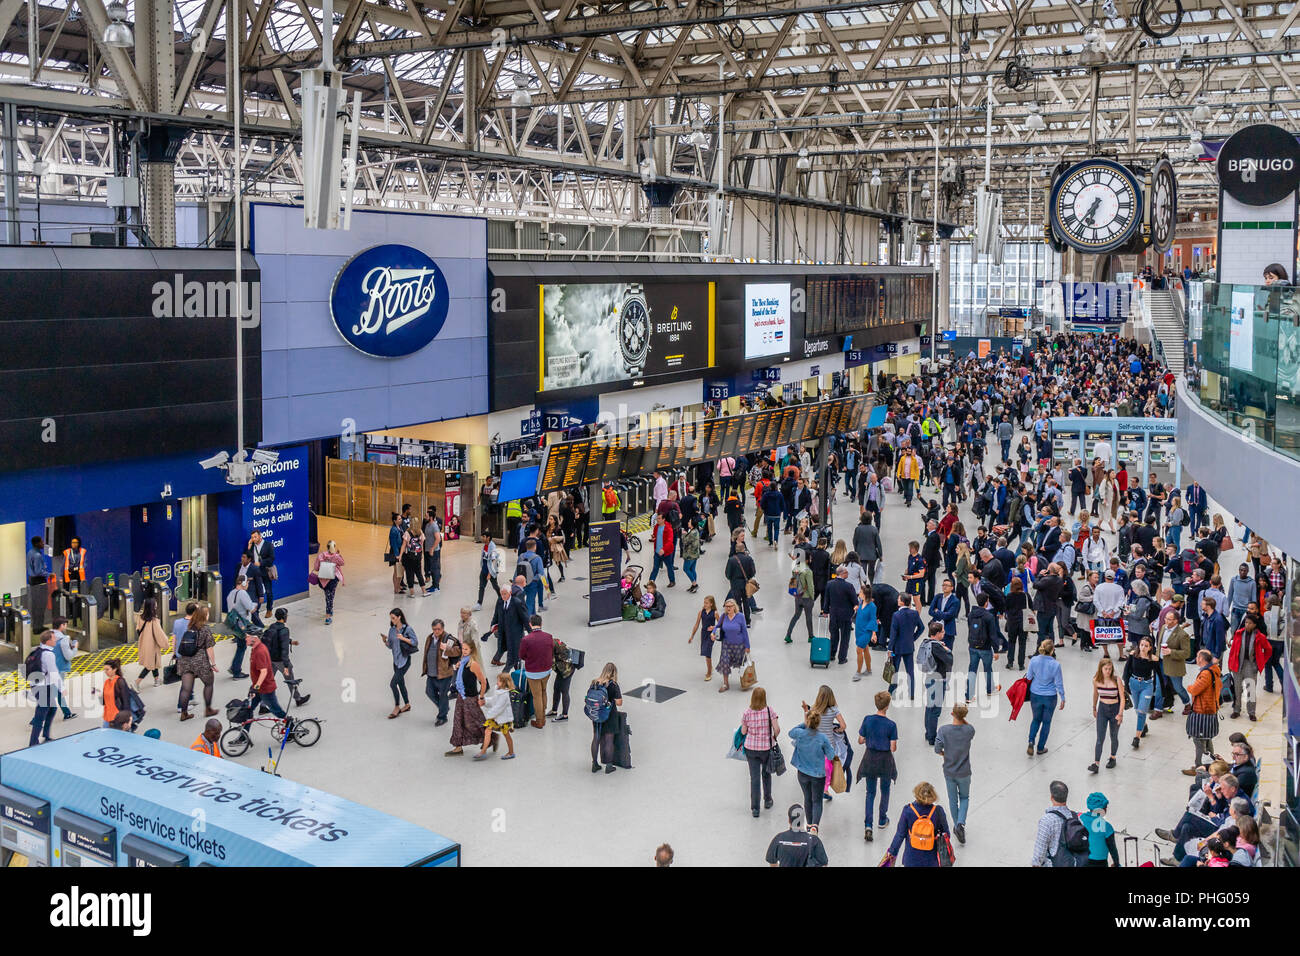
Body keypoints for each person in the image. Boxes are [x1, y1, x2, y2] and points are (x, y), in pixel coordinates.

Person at [856, 690, 899, 840]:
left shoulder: (867, 720)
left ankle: (868, 825)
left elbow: (860, 740)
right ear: (887, 706)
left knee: (870, 792)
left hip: (870, 759)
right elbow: (893, 748)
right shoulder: (891, 725)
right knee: (885, 789)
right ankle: (882, 819)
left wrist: (870, 739)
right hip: (885, 761)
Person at [883, 782, 950, 868]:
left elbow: (900, 835)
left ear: (916, 793)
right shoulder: (938, 811)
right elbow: (947, 835)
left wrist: (892, 852)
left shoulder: (908, 810)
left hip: (911, 859)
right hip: (932, 860)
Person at [934, 703, 975, 844]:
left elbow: (937, 748)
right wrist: (963, 718)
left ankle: (957, 825)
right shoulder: (969, 730)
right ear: (964, 716)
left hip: (949, 771)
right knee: (964, 797)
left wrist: (944, 754)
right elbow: (969, 727)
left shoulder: (944, 730)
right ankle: (960, 824)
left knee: (953, 800)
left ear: (952, 714)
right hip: (965, 772)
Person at [789, 710, 835, 832]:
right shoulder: (822, 738)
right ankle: (815, 826)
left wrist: (804, 724)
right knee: (817, 800)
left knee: (807, 798)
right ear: (818, 722)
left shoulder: (800, 733)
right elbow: (831, 756)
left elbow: (790, 732)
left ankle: (809, 825)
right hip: (817, 775)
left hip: (802, 773)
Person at [446, 634, 488, 757]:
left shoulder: (473, 664)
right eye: (463, 649)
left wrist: (481, 697)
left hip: (471, 698)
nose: (463, 651)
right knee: (458, 720)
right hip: (461, 695)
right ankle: (458, 747)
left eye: (466, 649)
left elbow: (483, 682)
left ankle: (490, 738)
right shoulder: (463, 662)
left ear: (471, 650)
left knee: (477, 721)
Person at [741, 687, 780, 817]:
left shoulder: (747, 713)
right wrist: (773, 737)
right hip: (766, 748)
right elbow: (777, 729)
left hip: (751, 749)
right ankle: (768, 800)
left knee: (754, 778)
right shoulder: (769, 711)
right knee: (766, 774)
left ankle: (755, 809)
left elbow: (743, 732)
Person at [1183, 649, 1223, 774]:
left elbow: (1195, 690)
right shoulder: (1214, 670)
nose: (1196, 658)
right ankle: (1212, 764)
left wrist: (1189, 687)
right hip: (1210, 709)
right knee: (1207, 738)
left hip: (1203, 711)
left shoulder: (1206, 673)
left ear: (1201, 659)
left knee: (1199, 740)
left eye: (1197, 656)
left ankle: (1199, 767)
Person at [176, 606, 218, 722]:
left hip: (185, 660)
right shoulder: (205, 629)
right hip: (199, 661)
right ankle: (208, 709)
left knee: (186, 688)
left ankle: (184, 713)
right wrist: (213, 664)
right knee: (209, 683)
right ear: (204, 616)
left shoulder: (189, 627)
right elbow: (209, 648)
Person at [1031, 780, 1087, 867]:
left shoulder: (1046, 820)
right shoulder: (1076, 817)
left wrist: (1035, 864)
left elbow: (1039, 854)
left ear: (1051, 797)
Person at [1226, 614, 1271, 721]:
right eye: (1246, 622)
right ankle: (1236, 710)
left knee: (1251, 690)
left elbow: (1268, 650)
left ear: (1255, 625)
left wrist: (1261, 662)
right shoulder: (1238, 633)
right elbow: (1233, 651)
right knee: (1237, 689)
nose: (1247, 625)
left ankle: (1251, 712)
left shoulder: (1260, 637)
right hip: (1237, 665)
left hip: (1251, 666)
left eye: (1250, 623)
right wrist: (1230, 664)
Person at [262, 608, 310, 707]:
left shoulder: (272, 626)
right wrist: (286, 665)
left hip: (270, 659)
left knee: (268, 681)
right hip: (280, 661)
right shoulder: (284, 630)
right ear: (284, 617)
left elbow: (276, 639)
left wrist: (290, 641)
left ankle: (263, 705)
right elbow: (284, 650)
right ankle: (298, 699)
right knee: (291, 680)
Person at [1025, 639, 1065, 755]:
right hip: (1050, 696)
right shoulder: (1056, 665)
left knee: (1036, 719)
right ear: (1052, 650)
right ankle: (1041, 747)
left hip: (1035, 694)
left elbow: (1028, 676)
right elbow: (1059, 683)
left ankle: (1031, 741)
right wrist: (1063, 697)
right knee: (1046, 722)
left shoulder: (1034, 660)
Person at [1088, 656, 1126, 774]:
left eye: (1110, 669)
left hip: (1114, 709)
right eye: (1106, 669)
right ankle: (1096, 763)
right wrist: (1094, 707)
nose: (1108, 671)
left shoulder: (1117, 680)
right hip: (1103, 709)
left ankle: (1112, 757)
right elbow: (1095, 695)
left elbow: (1122, 698)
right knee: (1100, 737)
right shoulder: (1096, 680)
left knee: (1113, 735)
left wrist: (1120, 714)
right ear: (1101, 669)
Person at [422, 618, 461, 727]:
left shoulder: (448, 638)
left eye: (438, 629)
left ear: (443, 628)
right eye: (434, 629)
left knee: (443, 695)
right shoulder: (429, 638)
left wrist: (447, 649)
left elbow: (459, 650)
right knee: (429, 692)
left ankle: (442, 717)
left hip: (445, 674)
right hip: (431, 673)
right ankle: (444, 707)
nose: (436, 631)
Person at [381, 607, 419, 719]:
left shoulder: (407, 629)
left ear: (399, 617)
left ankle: (397, 706)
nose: (392, 620)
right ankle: (407, 704)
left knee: (393, 684)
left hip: (405, 661)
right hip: (396, 662)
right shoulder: (392, 630)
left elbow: (415, 642)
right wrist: (385, 642)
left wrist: (403, 639)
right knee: (401, 683)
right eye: (391, 618)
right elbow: (391, 646)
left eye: (393, 618)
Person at [1123, 636, 1160, 749]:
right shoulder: (1133, 655)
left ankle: (1137, 738)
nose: (1143, 647)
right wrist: (1126, 685)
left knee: (1142, 711)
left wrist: (1157, 690)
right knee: (1137, 709)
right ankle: (1144, 725)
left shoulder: (1153, 659)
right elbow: (1126, 671)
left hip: (1146, 685)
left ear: (1150, 648)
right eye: (1142, 645)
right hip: (1134, 684)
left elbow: (1159, 676)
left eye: (1146, 646)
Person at [587, 662, 624, 774]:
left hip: (596, 713)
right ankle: (609, 766)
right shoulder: (613, 685)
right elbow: (619, 703)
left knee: (596, 738)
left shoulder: (595, 682)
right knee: (609, 740)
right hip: (609, 715)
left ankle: (594, 764)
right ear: (614, 673)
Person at [246, 632, 289, 722]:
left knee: (276, 711)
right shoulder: (255, 649)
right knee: (248, 711)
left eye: (247, 637)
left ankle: (290, 725)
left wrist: (256, 687)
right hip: (258, 688)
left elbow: (264, 672)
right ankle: (243, 734)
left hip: (265, 689)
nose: (245, 639)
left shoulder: (260, 651)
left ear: (254, 638)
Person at [520, 614, 553, 729]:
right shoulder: (549, 636)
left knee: (537, 696)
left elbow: (522, 655)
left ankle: (540, 721)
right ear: (541, 623)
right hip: (546, 671)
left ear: (530, 624)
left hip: (533, 672)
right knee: (544, 691)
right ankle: (543, 714)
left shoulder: (526, 639)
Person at [476, 671, 517, 761]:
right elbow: (494, 701)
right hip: (495, 717)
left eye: (499, 681)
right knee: (488, 731)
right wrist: (485, 701)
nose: (496, 682)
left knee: (507, 735)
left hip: (504, 719)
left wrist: (489, 715)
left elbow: (499, 708)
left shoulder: (505, 695)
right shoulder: (497, 690)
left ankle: (511, 752)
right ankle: (483, 752)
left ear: (504, 683)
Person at [888, 592, 922, 698]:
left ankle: (891, 691)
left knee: (895, 670)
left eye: (899, 599)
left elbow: (893, 634)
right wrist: (913, 638)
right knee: (910, 671)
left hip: (896, 648)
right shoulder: (915, 613)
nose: (897, 600)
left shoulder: (896, 615)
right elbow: (921, 628)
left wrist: (890, 649)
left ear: (902, 602)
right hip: (908, 646)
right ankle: (911, 693)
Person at [131, 597, 169, 689]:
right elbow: (159, 635)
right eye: (155, 603)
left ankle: (156, 680)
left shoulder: (140, 617)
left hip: (144, 645)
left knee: (153, 662)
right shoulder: (154, 620)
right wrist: (166, 643)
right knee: (149, 665)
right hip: (152, 646)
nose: (156, 605)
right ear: (153, 606)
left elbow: (138, 630)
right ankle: (136, 682)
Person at [714, 598, 751, 693]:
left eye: (730, 606)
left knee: (742, 665)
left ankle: (745, 682)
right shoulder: (723, 617)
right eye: (727, 607)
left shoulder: (740, 617)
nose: (728, 608)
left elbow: (744, 632)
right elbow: (718, 626)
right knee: (725, 663)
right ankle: (725, 683)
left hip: (739, 645)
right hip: (727, 645)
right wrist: (713, 633)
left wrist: (747, 646)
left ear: (735, 607)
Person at [1081, 793, 1121, 867]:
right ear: (1102, 809)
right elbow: (1113, 850)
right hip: (1099, 863)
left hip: (1081, 860)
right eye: (1105, 807)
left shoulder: (1080, 819)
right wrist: (1116, 864)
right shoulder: (1107, 827)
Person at [49, 617, 78, 720]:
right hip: (59, 668)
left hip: (47, 668)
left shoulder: (47, 636)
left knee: (53, 691)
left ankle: (67, 712)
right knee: (57, 691)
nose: (66, 626)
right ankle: (37, 718)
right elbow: (68, 656)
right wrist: (75, 648)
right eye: (65, 624)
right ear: (62, 625)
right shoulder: (64, 639)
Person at [785, 554, 816, 645]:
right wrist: (812, 597)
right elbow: (810, 586)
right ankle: (810, 636)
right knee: (808, 617)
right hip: (806, 597)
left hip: (798, 597)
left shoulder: (795, 569)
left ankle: (788, 635)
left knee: (796, 616)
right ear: (806, 560)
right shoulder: (808, 571)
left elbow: (794, 582)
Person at [312, 540, 344, 624]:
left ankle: (330, 610)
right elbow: (342, 563)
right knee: (331, 596)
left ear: (327, 547)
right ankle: (328, 616)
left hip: (323, 579)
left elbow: (316, 568)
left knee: (328, 597)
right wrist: (338, 554)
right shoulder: (336, 556)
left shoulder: (321, 556)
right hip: (333, 579)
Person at [689, 594, 718, 681]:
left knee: (707, 652)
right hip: (704, 633)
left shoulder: (715, 613)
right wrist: (692, 636)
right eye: (704, 603)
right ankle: (710, 667)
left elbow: (721, 624)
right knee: (705, 652)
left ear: (711, 604)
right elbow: (697, 624)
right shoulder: (701, 612)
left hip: (711, 634)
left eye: (707, 603)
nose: (705, 604)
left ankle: (709, 672)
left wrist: (714, 627)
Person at [853, 585, 877, 680]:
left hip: (866, 631)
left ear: (865, 595)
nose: (859, 593)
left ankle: (858, 672)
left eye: (861, 592)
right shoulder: (861, 602)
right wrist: (857, 609)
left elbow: (873, 619)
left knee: (859, 650)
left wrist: (873, 634)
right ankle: (868, 669)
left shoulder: (872, 606)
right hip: (858, 629)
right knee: (865, 649)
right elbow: (862, 612)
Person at [474, 531, 501, 610]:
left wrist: (490, 573)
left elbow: (493, 561)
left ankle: (501, 598)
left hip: (490, 571)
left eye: (483, 536)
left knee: (495, 586)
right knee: (481, 587)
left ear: (488, 537)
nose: (482, 538)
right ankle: (479, 603)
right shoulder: (485, 545)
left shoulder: (492, 547)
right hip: (484, 570)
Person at [26, 536, 48, 631]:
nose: (43, 543)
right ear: (37, 544)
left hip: (31, 581)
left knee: (35, 604)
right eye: (41, 542)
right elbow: (38, 571)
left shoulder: (30, 552)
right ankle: (38, 627)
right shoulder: (37, 556)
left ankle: (36, 626)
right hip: (39, 581)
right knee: (41, 604)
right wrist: (49, 574)